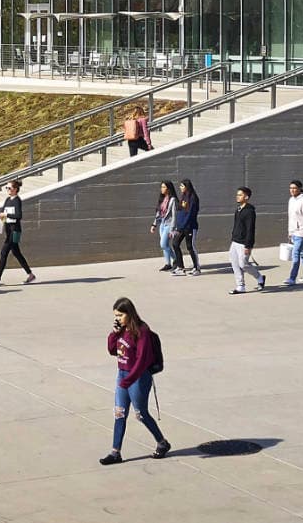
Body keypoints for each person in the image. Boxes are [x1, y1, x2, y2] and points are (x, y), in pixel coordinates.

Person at [98, 297, 170, 465]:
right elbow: (111, 350)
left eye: (120, 315)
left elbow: (142, 360)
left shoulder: (142, 331)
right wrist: (113, 334)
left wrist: (129, 380)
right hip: (122, 375)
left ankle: (162, 443)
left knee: (141, 414)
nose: (117, 318)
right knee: (119, 414)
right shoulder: (121, 329)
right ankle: (115, 453)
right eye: (115, 315)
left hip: (138, 377)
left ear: (129, 314)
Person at [0, 178, 35, 285]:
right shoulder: (7, 200)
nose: (7, 190)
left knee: (4, 252)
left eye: (9, 188)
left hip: (15, 231)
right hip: (8, 230)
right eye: (6, 188)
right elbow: (2, 213)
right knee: (16, 253)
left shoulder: (17, 200)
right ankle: (30, 274)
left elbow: (18, 216)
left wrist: (6, 215)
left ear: (15, 189)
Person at [226, 186, 267, 292]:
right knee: (234, 263)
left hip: (244, 243)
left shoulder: (249, 211)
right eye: (237, 194)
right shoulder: (238, 209)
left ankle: (260, 277)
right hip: (235, 241)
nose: (237, 196)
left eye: (240, 195)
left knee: (243, 264)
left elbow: (250, 229)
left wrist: (248, 245)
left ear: (246, 197)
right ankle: (240, 286)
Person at [169, 179, 202, 275]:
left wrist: (183, 225)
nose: (180, 188)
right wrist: (178, 227)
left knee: (190, 246)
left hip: (190, 227)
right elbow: (180, 212)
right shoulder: (183, 197)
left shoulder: (193, 198)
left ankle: (197, 268)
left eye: (182, 186)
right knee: (175, 244)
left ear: (187, 187)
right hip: (181, 227)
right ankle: (180, 268)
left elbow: (191, 214)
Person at [154, 180, 178, 271]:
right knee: (165, 245)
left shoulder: (173, 200)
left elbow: (174, 216)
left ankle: (176, 260)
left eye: (164, 187)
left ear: (168, 189)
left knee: (163, 244)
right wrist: (154, 224)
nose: (162, 189)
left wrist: (172, 229)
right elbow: (158, 213)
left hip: (169, 225)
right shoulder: (162, 199)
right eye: (161, 187)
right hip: (162, 225)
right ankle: (168, 264)